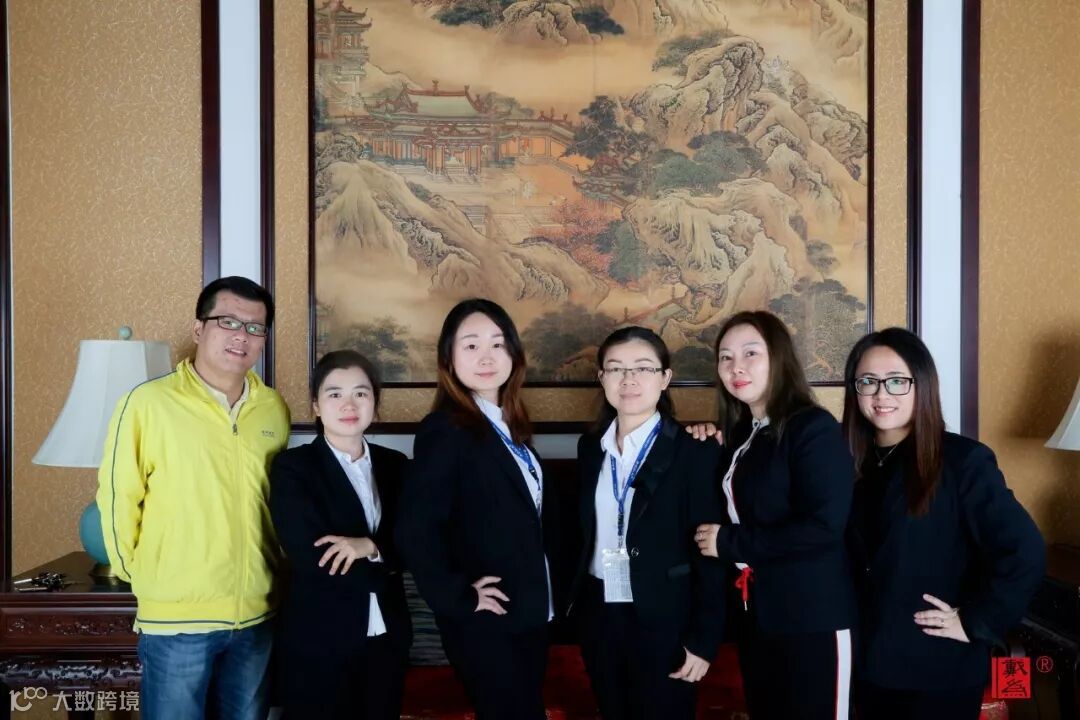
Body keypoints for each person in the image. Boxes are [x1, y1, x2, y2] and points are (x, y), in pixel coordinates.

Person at [96, 276, 290, 720]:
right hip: (176, 619)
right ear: (199, 328)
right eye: (228, 322)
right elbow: (118, 496)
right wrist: (145, 577)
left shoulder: (272, 409)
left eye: (255, 328)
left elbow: (276, 504)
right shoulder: (148, 403)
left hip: (256, 616)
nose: (242, 336)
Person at [843, 327, 1045, 720]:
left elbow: (1025, 550)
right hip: (866, 665)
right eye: (868, 381)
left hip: (936, 670)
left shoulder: (962, 461)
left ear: (922, 385)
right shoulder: (847, 462)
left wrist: (976, 621)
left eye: (896, 381)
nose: (881, 394)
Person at [396, 298, 557, 720]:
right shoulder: (444, 430)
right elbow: (415, 530)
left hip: (529, 611)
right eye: (470, 346)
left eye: (497, 344)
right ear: (448, 359)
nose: (486, 357)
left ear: (513, 354)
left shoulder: (508, 425)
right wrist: (459, 597)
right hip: (486, 619)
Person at [694, 310, 857, 720]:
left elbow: (824, 527)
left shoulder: (812, 427)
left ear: (779, 358)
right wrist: (701, 440)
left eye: (751, 353)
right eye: (726, 357)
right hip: (759, 618)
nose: (736, 367)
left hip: (812, 618)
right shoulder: (743, 433)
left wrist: (729, 543)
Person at [570, 326, 726, 720]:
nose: (629, 379)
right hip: (600, 609)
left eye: (643, 368)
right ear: (602, 377)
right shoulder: (590, 448)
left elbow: (710, 550)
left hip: (666, 615)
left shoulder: (694, 450)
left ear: (665, 378)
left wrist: (704, 639)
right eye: (616, 368)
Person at [269, 350, 411, 719]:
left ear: (375, 403)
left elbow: (416, 540)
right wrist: (388, 561)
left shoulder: (397, 467)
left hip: (389, 636)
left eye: (361, 393)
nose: (349, 404)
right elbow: (311, 555)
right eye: (335, 394)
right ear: (316, 405)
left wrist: (370, 546)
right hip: (320, 637)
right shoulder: (293, 468)